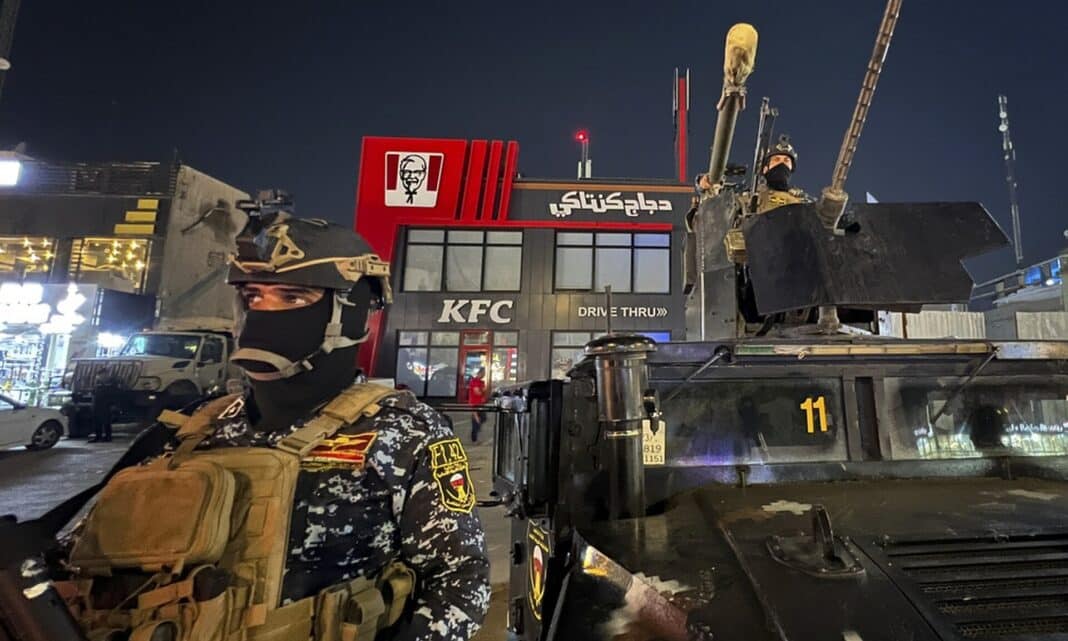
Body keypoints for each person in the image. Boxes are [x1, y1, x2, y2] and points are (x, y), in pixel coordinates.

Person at [58, 211, 491, 641]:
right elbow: (79, 562)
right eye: (253, 297)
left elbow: (460, 581)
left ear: (353, 312)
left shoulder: (404, 433)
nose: (264, 312)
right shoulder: (189, 430)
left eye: (292, 297)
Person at [753, 134, 811, 214]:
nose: (782, 164)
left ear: (791, 169)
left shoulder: (802, 204)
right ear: (765, 169)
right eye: (776, 160)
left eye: (786, 160)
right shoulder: (750, 198)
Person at [88, 370, 117, 443]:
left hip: (106, 406)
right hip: (97, 405)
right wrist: (92, 404)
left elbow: (113, 395)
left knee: (106, 422)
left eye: (103, 375)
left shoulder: (110, 383)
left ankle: (108, 437)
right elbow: (93, 394)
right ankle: (98, 437)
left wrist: (112, 405)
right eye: (100, 375)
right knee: (97, 422)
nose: (101, 376)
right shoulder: (97, 383)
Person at [467, 367, 487, 443]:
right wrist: (482, 391)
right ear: (480, 373)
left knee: (483, 417)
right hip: (475, 403)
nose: (484, 375)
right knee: (476, 420)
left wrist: (482, 392)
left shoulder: (482, 382)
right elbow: (477, 392)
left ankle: (477, 430)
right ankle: (474, 438)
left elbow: (482, 391)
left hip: (480, 403)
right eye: (483, 373)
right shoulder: (474, 381)